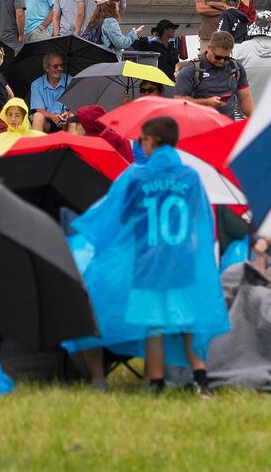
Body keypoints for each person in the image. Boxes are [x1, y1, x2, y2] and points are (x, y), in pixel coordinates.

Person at [71, 116, 228, 395]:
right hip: (181, 263)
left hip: (148, 265)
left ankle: (155, 386)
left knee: (153, 328)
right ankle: (202, 381)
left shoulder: (136, 176)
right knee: (187, 323)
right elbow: (199, 219)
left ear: (153, 141)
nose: (139, 144)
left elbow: (115, 215)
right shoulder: (190, 176)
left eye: (142, 139)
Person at [173, 30, 254, 120]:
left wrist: (254, 118)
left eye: (227, 58)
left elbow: (245, 98)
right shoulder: (191, 70)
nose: (222, 61)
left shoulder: (236, 67)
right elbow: (179, 101)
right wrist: (206, 102)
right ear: (209, 48)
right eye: (218, 57)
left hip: (227, 126)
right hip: (200, 126)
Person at [29, 54, 70, 132]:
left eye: (61, 65)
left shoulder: (70, 81)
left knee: (73, 116)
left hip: (66, 121)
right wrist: (52, 116)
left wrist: (67, 114)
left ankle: (72, 143)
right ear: (47, 68)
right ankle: (37, 144)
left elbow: (76, 106)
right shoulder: (36, 84)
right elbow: (40, 109)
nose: (60, 68)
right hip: (47, 121)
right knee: (37, 116)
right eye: (55, 66)